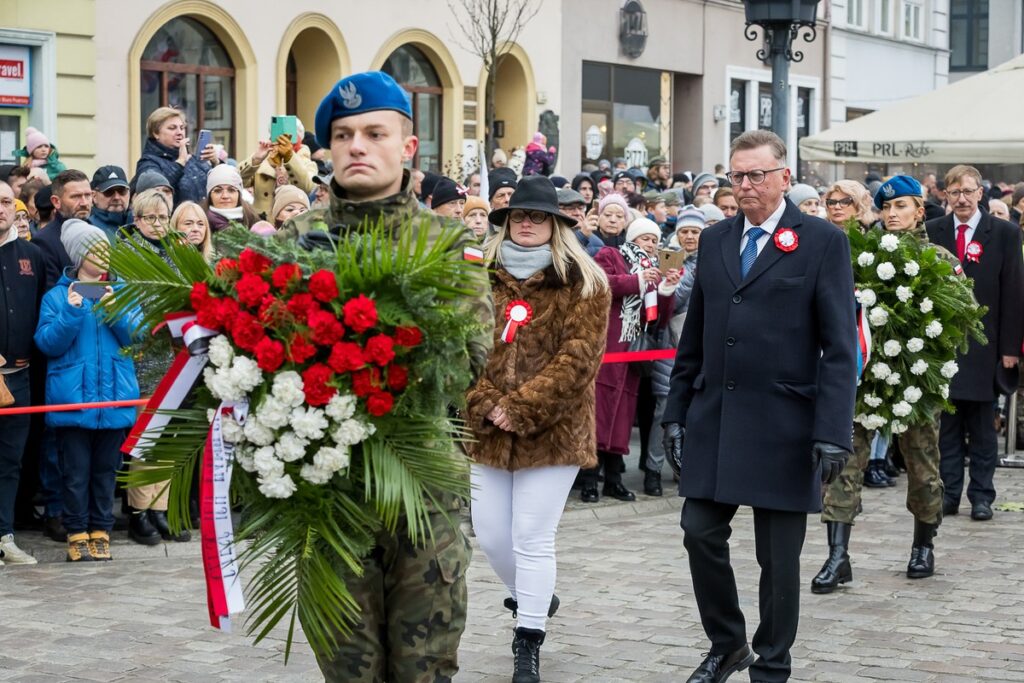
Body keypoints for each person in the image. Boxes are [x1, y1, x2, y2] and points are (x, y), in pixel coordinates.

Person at [276, 70, 493, 682]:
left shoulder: (447, 244)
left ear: (408, 146)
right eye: (342, 135)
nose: (357, 146)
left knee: (424, 669)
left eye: (374, 132)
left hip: (421, 494)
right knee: (347, 671)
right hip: (326, 495)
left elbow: (468, 359)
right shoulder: (295, 243)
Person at [662, 130, 857, 683]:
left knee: (778, 562)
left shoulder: (820, 241)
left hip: (786, 425)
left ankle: (772, 664)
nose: (744, 186)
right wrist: (676, 411)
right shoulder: (720, 238)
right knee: (699, 531)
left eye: (756, 176)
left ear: (784, 178)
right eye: (736, 176)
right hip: (716, 420)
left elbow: (840, 346)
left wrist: (832, 431)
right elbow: (694, 335)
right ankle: (728, 643)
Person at [465, 175, 610, 682]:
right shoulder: (476, 276)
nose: (527, 224)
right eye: (519, 216)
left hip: (554, 431)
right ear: (505, 224)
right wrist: (486, 402)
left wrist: (521, 408)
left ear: (555, 224)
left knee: (531, 536)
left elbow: (578, 360)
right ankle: (536, 596)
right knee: (490, 535)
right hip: (485, 428)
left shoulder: (585, 282)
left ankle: (527, 639)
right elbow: (460, 350)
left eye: (538, 216)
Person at [813, 176, 958, 594]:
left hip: (916, 380)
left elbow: (954, 324)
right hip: (861, 377)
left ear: (919, 211)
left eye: (902, 207)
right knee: (845, 459)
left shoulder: (939, 259)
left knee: (922, 463)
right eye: (887, 208)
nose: (892, 215)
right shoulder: (858, 255)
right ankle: (838, 556)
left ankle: (923, 544)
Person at [34, 220, 141, 562]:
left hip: (115, 398)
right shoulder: (56, 296)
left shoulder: (121, 292)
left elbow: (138, 337)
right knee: (75, 473)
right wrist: (71, 310)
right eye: (96, 250)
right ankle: (76, 530)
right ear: (80, 256)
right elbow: (47, 343)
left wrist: (116, 311)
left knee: (106, 472)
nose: (104, 256)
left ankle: (101, 529)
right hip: (73, 401)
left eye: (107, 249)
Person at [926, 165, 1024, 521]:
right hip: (943, 346)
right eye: (955, 193)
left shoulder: (1004, 232)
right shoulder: (933, 230)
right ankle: (949, 493)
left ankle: (982, 495)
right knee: (948, 427)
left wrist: (1010, 349)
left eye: (968, 191)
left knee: (983, 428)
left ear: (981, 193)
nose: (962, 199)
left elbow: (1013, 292)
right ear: (945, 196)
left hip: (986, 345)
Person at [584, 217, 679, 504]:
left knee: (623, 417)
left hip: (633, 354)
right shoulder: (610, 254)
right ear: (632, 238)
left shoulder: (654, 270)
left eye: (654, 240)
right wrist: (637, 280)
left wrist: (665, 289)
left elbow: (660, 320)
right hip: (606, 347)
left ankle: (613, 479)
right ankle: (589, 479)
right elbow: (601, 285)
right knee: (598, 415)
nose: (650, 244)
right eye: (644, 238)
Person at [0, 180, 47, 566]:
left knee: (10, 461)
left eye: (4, 202)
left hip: (20, 376)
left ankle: (4, 536)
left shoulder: (31, 255)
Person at [133, 107, 217, 205]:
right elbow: (154, 191)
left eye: (182, 128)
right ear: (156, 133)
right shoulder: (148, 162)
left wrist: (215, 163)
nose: (180, 132)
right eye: (172, 128)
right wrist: (180, 162)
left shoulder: (191, 158)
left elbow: (218, 187)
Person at [34, 169, 93, 288]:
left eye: (87, 195)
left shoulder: (97, 233)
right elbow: (54, 294)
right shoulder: (44, 241)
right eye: (76, 196)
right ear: (56, 202)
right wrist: (100, 293)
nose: (84, 203)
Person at [238, 130, 317, 219]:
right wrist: (256, 160)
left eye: (287, 138)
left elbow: (308, 187)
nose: (281, 142)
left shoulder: (306, 163)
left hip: (294, 223)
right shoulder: (262, 162)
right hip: (262, 224)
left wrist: (290, 158)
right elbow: (236, 181)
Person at [201, 164, 259, 231]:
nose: (225, 196)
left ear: (239, 194)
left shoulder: (253, 220)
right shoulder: (198, 223)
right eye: (218, 191)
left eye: (231, 190)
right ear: (209, 195)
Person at [557, 187, 604, 256]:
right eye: (570, 208)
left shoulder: (597, 243)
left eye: (581, 208)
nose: (578, 213)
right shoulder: (548, 236)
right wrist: (582, 236)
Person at [89, 165, 132, 239]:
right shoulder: (88, 227)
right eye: (109, 192)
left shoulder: (140, 223)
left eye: (122, 191)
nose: (116, 197)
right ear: (94, 196)